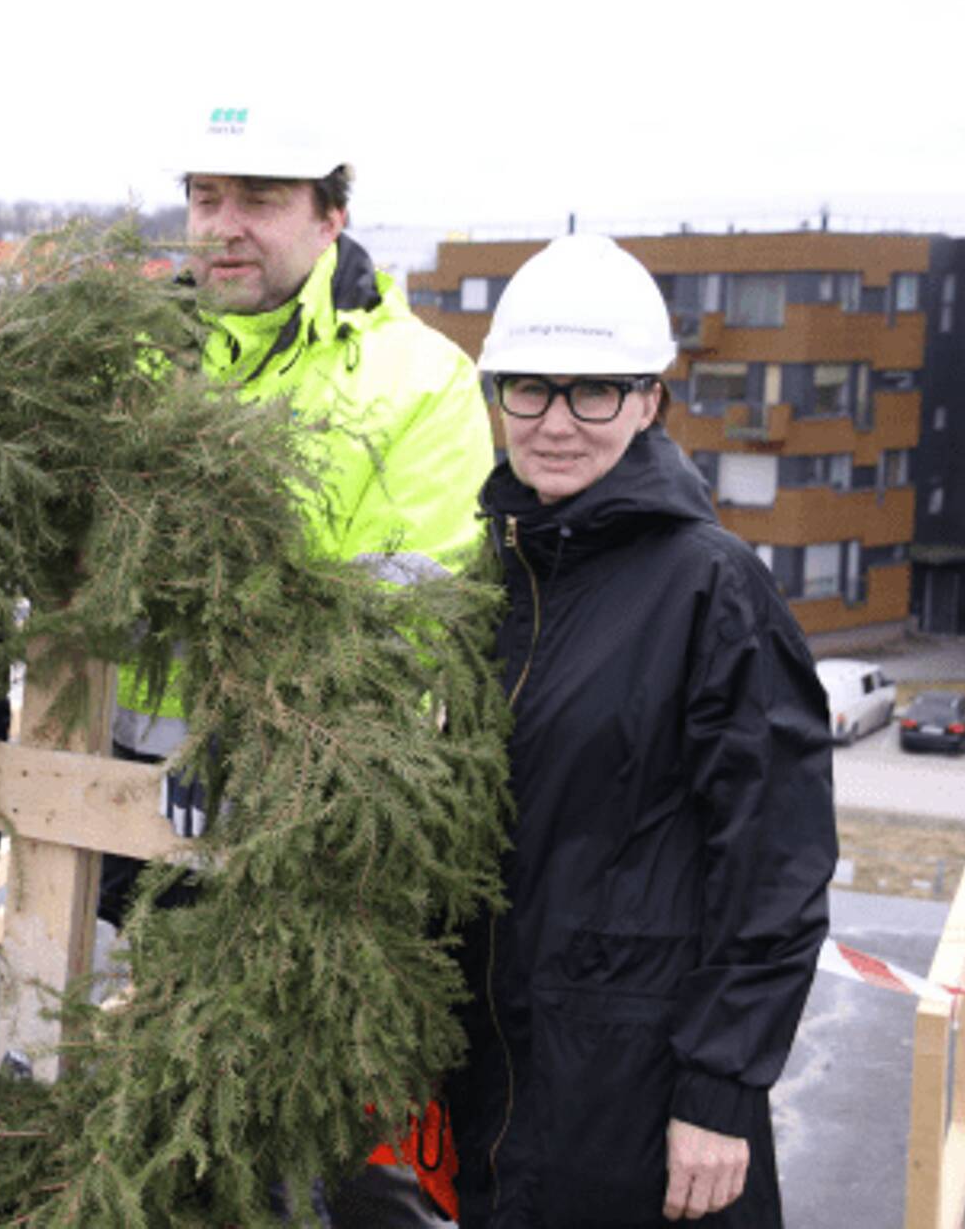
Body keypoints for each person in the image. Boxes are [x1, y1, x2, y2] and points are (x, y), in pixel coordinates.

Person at [102, 101, 497, 1223]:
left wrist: (259, 728)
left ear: (332, 214)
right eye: (205, 196)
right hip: (145, 822)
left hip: (319, 838)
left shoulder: (421, 379)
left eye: (260, 201)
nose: (223, 226)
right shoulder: (138, 359)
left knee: (311, 1152)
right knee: (178, 1125)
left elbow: (418, 605)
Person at [446, 234, 836, 1226]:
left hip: (641, 1095)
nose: (556, 422)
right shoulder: (498, 582)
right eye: (529, 389)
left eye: (596, 392)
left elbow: (777, 866)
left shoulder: (711, 587)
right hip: (501, 1078)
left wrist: (719, 1089)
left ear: (650, 400)